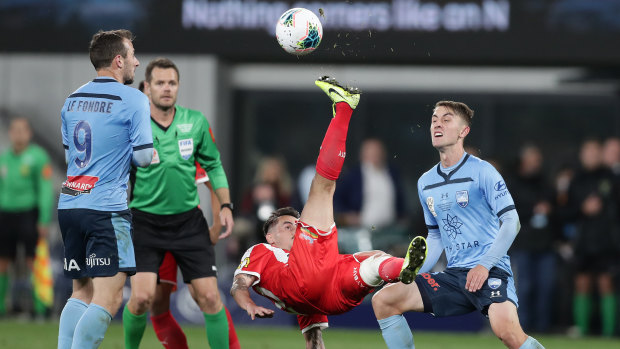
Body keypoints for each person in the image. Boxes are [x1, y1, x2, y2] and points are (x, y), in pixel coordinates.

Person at [231, 76, 427, 349]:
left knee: (372, 261)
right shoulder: (261, 252)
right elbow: (239, 284)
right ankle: (345, 108)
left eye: (295, 223)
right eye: (288, 225)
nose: (296, 226)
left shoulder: (295, 276)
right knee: (322, 188)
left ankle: (402, 268)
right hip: (308, 279)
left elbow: (314, 339)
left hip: (332, 294)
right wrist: (248, 304)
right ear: (270, 236)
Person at [371, 101, 545, 349]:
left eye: (446, 119)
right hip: (455, 276)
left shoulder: (483, 172)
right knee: (385, 300)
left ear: (464, 131)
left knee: (507, 332)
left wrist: (484, 265)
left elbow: (511, 222)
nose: (437, 124)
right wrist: (414, 273)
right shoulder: (426, 182)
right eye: (434, 119)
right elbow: (435, 236)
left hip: (491, 271)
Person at [122, 57, 237, 349]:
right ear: (146, 87)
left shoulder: (195, 121)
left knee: (210, 298)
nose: (166, 88)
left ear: (178, 86)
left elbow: (214, 167)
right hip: (145, 223)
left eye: (171, 83)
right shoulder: (132, 126)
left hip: (188, 222)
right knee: (141, 299)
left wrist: (225, 206)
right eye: (159, 83)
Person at [57, 29, 153, 348]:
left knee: (81, 291)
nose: (137, 63)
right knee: (109, 300)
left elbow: (72, 155)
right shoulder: (135, 99)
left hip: (71, 205)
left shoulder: (71, 101)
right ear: (117, 61)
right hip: (105, 210)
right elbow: (141, 158)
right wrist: (151, 154)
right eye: (132, 56)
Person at [0, 117, 54, 317]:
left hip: (28, 214)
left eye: (22, 130)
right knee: (3, 262)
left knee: (35, 260)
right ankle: (1, 308)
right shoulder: (4, 158)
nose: (18, 134)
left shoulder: (38, 157)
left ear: (29, 133)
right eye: (14, 130)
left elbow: (45, 189)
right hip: (5, 214)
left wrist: (43, 218)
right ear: (10, 133)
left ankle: (42, 307)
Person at [567, 139, 619, 337]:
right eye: (587, 152)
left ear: (601, 154)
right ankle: (581, 329)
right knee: (582, 283)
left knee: (606, 283)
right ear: (582, 155)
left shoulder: (611, 178)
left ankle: (609, 332)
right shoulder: (576, 180)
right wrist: (582, 209)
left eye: (595, 152)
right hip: (583, 242)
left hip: (606, 241)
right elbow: (566, 211)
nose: (591, 156)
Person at [507, 144, 558, 333]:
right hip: (523, 243)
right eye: (533, 159)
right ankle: (523, 326)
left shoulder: (546, 182)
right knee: (524, 287)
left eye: (538, 159)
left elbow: (557, 208)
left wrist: (549, 211)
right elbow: (508, 212)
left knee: (546, 286)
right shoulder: (512, 183)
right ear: (524, 160)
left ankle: (544, 327)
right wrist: (532, 211)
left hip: (545, 244)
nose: (536, 163)